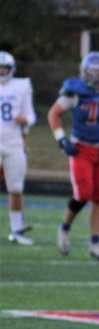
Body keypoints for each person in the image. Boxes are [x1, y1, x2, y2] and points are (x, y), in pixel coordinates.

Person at [48, 51, 99, 260]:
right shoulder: (74, 91)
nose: (93, 75)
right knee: (83, 193)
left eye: (97, 71)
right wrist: (61, 140)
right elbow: (53, 114)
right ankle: (64, 228)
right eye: (90, 71)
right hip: (81, 149)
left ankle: (95, 243)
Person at [0, 49, 36, 245]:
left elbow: (30, 116)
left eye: (5, 68)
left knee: (15, 188)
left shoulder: (21, 86)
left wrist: (24, 120)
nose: (2, 71)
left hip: (14, 143)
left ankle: (16, 230)